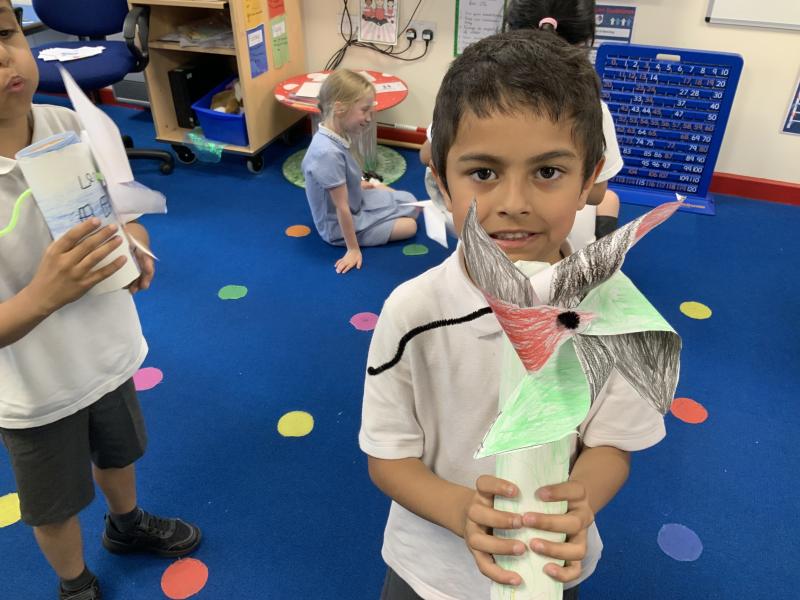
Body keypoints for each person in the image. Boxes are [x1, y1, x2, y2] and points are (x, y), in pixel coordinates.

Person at [361, 30, 666, 600]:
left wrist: (579, 500)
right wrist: (459, 510)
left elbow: (612, 445)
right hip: (428, 570)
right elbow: (388, 456)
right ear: (441, 182)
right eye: (483, 173)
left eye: (547, 172)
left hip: (547, 565)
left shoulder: (612, 314)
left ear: (590, 180)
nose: (514, 203)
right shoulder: (412, 312)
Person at [0, 4, 201, 599]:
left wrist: (135, 244)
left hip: (105, 353)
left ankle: (126, 524)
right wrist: (42, 297)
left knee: (119, 452)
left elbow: (121, 211)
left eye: (5, 33)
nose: (3, 57)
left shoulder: (70, 124)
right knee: (53, 502)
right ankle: (75, 581)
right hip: (36, 388)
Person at [504, 0, 623, 247]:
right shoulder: (595, 110)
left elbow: (428, 155)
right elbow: (597, 193)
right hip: (565, 249)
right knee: (609, 199)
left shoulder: (473, 99)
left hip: (489, 241)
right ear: (584, 42)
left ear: (510, 30)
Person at [302, 69, 418, 274]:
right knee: (410, 226)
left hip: (356, 201)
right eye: (364, 110)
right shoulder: (326, 153)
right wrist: (353, 249)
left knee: (413, 204)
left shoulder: (335, 136)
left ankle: (380, 201)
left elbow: (342, 181)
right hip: (338, 227)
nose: (369, 118)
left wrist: (358, 185)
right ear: (339, 108)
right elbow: (341, 208)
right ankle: (353, 237)